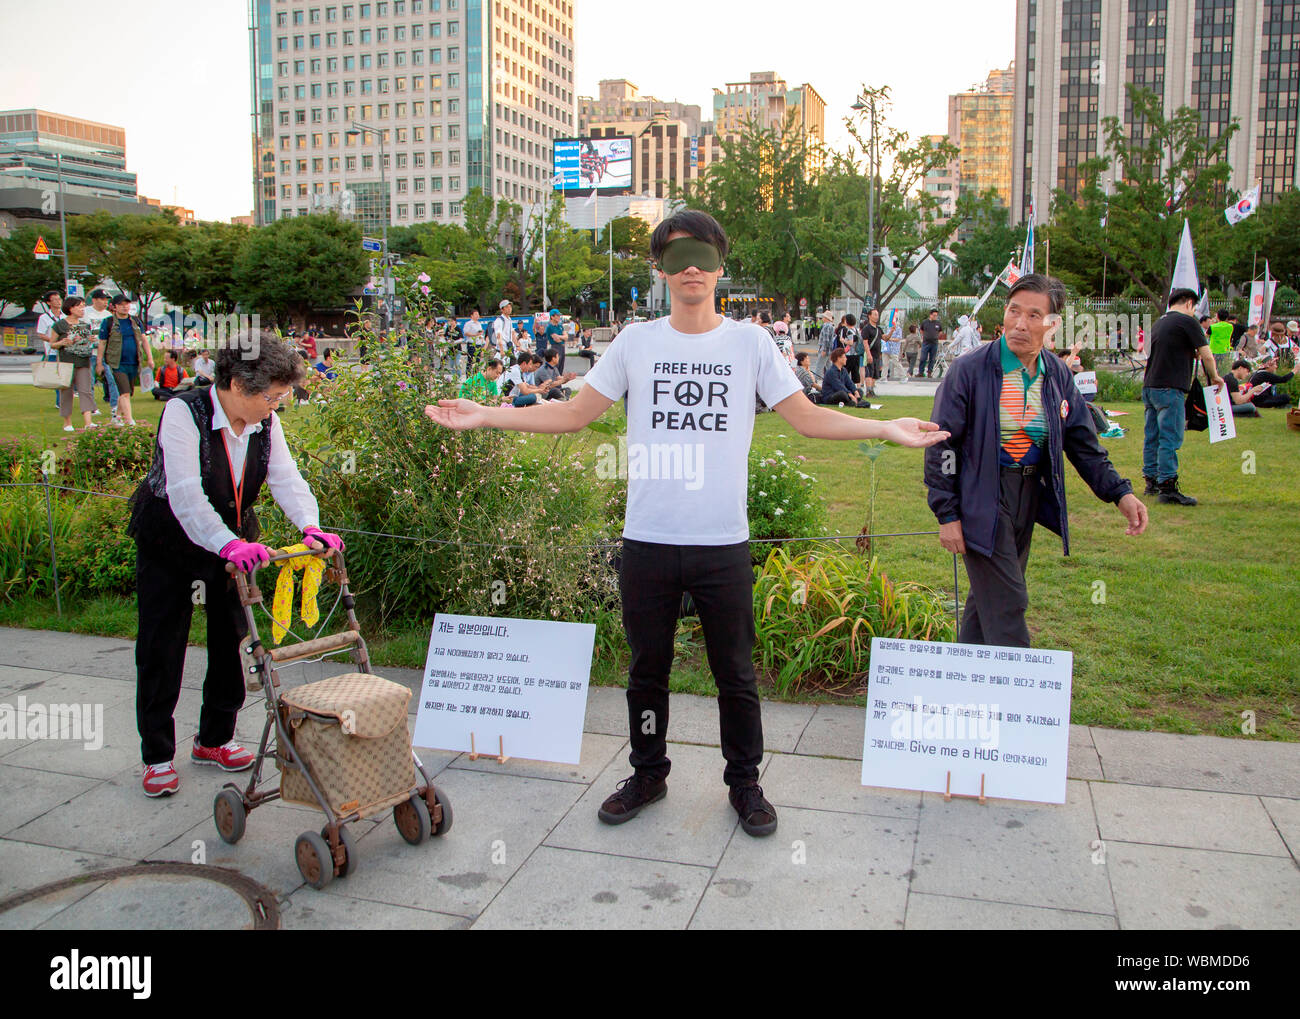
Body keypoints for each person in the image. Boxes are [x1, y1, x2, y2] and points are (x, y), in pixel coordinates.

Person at [424, 208, 948, 838]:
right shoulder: (636, 343)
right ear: (661, 269)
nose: (690, 267)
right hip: (648, 541)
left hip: (721, 543)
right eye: (675, 256)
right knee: (648, 671)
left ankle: (745, 782)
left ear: (720, 265)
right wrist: (488, 414)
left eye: (701, 254)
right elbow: (573, 415)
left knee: (736, 673)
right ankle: (648, 770)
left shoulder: (751, 344)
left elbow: (808, 417)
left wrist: (883, 428)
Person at [127, 332, 344, 798]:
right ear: (237, 385)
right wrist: (226, 544)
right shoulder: (184, 413)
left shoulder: (265, 423)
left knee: (233, 639)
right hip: (171, 539)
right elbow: (185, 493)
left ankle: (214, 738)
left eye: (282, 396)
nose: (278, 405)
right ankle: (158, 754)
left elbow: (286, 476)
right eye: (273, 396)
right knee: (162, 645)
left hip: (232, 541)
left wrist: (311, 526)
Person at [925, 273, 1148, 648]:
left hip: (1027, 494)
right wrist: (947, 514)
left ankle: (966, 688)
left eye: (1033, 315)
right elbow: (942, 444)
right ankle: (1017, 699)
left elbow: (1083, 443)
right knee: (1010, 601)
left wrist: (1120, 493)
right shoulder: (970, 370)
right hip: (982, 496)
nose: (1020, 324)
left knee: (988, 603)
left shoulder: (1056, 374)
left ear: (1052, 325)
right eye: (1014, 311)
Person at [1141, 288, 1224, 505]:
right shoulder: (1188, 322)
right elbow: (1207, 354)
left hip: (1150, 386)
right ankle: (1167, 486)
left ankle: (1152, 481)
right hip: (1170, 387)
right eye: (1194, 307)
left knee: (1153, 436)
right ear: (1189, 303)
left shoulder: (1160, 323)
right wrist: (1215, 377)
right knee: (1170, 436)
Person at [98, 294, 155, 427]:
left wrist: (150, 358)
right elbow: (102, 343)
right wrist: (99, 363)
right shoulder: (108, 322)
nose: (125, 307)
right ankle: (130, 420)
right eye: (121, 304)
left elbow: (144, 340)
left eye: (127, 304)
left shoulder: (135, 321)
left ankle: (117, 416)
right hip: (117, 363)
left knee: (127, 392)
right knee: (124, 392)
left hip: (134, 361)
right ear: (115, 306)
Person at [50, 296, 99, 432]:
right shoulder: (60, 325)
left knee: (86, 390)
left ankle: (88, 422)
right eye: (79, 306)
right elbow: (52, 344)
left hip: (83, 361)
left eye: (83, 306)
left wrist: (90, 339)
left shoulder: (85, 325)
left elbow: (87, 342)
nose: (82, 309)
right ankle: (67, 422)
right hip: (66, 363)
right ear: (71, 308)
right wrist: (62, 342)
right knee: (66, 392)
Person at [918, 309, 942, 377]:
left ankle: (929, 372)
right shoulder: (925, 322)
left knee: (932, 358)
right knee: (923, 358)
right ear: (930, 315)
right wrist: (925, 336)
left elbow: (940, 331)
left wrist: (936, 336)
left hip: (934, 343)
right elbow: (921, 330)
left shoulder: (938, 323)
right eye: (934, 315)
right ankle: (921, 372)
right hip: (926, 343)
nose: (935, 317)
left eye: (936, 316)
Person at [542, 309, 567, 374]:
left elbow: (566, 337)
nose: (559, 317)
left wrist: (560, 337)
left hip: (562, 347)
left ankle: (559, 382)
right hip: (555, 347)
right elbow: (556, 339)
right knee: (556, 367)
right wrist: (562, 337)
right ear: (552, 317)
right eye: (557, 315)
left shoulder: (560, 326)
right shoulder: (550, 327)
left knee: (561, 366)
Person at [462, 308, 485, 375]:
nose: (477, 316)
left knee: (477, 361)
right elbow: (466, 333)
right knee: (470, 361)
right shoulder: (468, 323)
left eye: (478, 314)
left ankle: (476, 376)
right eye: (476, 314)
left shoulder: (479, 324)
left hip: (478, 344)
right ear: (471, 316)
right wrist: (475, 334)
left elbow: (480, 334)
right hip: (472, 344)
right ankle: (468, 376)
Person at [814, 310, 836, 377]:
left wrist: (824, 350)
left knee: (819, 366)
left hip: (824, 349)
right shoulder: (831, 326)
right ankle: (832, 379)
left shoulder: (826, 326)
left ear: (826, 318)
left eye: (823, 317)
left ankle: (816, 380)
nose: (822, 318)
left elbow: (826, 340)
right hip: (829, 350)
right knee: (829, 366)